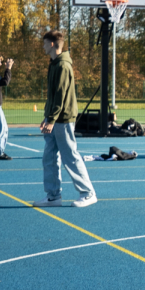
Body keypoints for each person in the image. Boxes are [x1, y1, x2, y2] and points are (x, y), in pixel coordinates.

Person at [34, 30, 96, 208]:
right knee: (49, 157)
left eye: (45, 43)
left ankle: (88, 193)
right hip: (54, 118)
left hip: (63, 118)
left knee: (70, 156)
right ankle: (53, 196)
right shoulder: (54, 64)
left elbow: (60, 96)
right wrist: (47, 117)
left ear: (52, 44)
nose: (43, 46)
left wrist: (51, 119)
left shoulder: (63, 66)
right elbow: (52, 95)